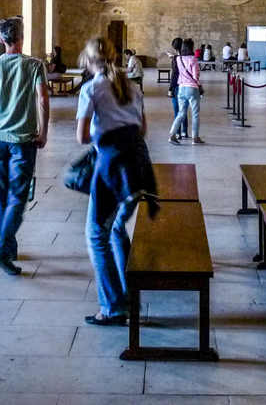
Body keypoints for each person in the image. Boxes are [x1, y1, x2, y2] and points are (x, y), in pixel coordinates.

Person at [75, 36, 154, 326]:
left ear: (88, 60)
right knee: (118, 228)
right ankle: (130, 294)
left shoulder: (92, 88)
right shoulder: (132, 87)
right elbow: (142, 130)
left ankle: (112, 306)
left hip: (110, 166)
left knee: (97, 235)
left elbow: (82, 136)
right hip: (138, 164)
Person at [0, 17, 50, 275]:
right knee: (18, 196)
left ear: (2, 39)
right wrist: (43, 132)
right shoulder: (34, 66)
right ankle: (3, 251)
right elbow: (42, 100)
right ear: (21, 38)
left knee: (1, 195)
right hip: (22, 141)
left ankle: (9, 245)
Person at [168, 38, 204, 145]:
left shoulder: (179, 59)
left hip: (181, 88)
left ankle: (172, 135)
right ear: (191, 47)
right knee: (195, 114)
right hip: (192, 88)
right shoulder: (193, 59)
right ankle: (195, 138)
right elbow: (195, 76)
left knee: (181, 113)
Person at [166, 37, 187, 139]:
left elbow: (174, 75)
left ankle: (177, 132)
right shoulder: (186, 57)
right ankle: (185, 131)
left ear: (174, 47)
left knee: (177, 110)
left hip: (177, 86)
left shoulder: (175, 59)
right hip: (186, 85)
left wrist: (170, 89)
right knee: (184, 109)